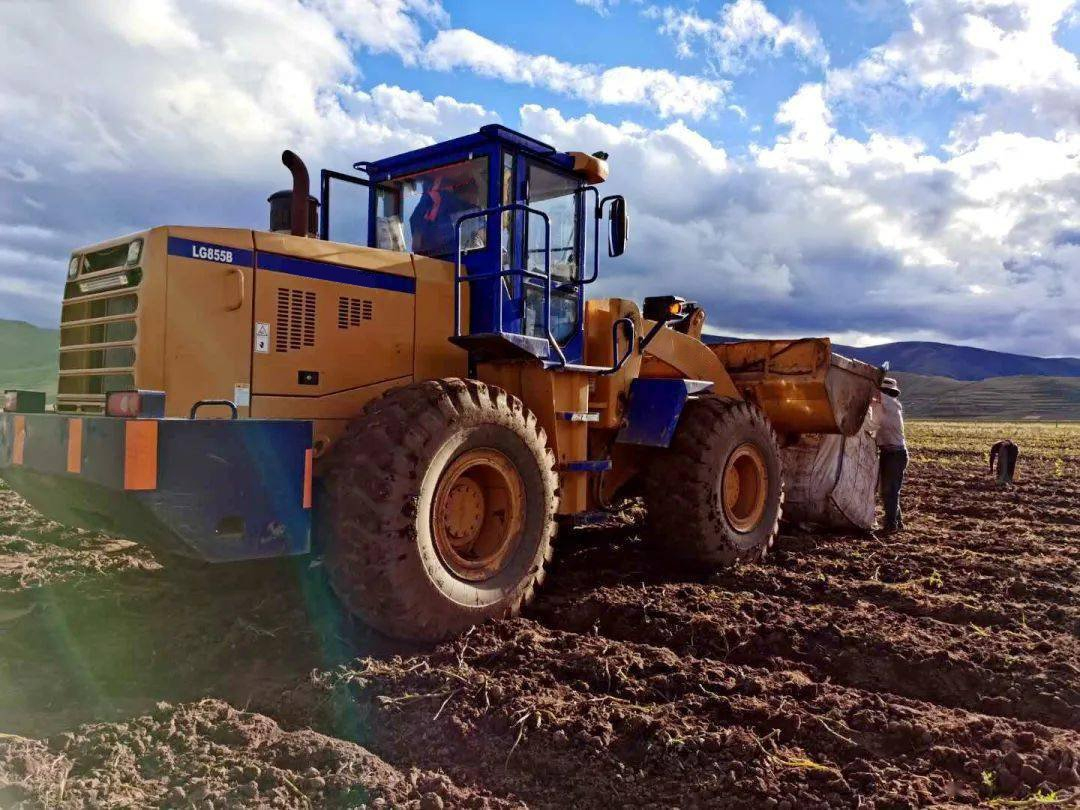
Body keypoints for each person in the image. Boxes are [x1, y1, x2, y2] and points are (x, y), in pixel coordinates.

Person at [870, 377, 908, 534]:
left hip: (894, 453)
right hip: (891, 453)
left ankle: (891, 525)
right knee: (890, 490)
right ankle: (897, 522)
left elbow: (874, 394)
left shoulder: (891, 404)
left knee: (889, 490)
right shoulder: (884, 406)